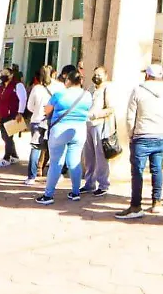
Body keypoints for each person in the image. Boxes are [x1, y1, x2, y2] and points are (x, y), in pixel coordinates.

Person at [115, 65, 163, 219]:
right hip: (160, 136)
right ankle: (157, 202)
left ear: (148, 76)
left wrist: (131, 134)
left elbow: (131, 116)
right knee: (157, 170)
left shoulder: (138, 90)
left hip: (141, 135)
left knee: (137, 172)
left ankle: (136, 206)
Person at [34, 69, 92, 205]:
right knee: (74, 162)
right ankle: (75, 192)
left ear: (68, 81)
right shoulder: (87, 95)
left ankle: (48, 195)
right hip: (79, 130)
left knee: (56, 163)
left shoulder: (59, 94)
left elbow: (47, 110)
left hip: (59, 130)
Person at [82, 66, 117, 196]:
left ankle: (103, 184)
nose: (96, 77)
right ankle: (89, 183)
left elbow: (111, 108)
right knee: (88, 156)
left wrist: (96, 114)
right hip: (87, 124)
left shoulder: (107, 89)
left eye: (99, 75)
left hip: (100, 125)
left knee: (100, 156)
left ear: (105, 76)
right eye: (95, 74)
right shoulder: (91, 88)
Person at [23, 66, 60, 184]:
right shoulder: (58, 88)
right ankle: (54, 175)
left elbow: (30, 107)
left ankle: (31, 177)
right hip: (52, 121)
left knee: (36, 148)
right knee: (53, 149)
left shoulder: (36, 88)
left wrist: (38, 109)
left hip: (37, 120)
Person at [0, 67, 22, 167]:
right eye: (2, 73)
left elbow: (22, 99)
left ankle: (7, 157)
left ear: (11, 75)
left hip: (12, 114)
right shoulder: (1, 87)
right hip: (2, 114)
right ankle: (14, 155)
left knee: (8, 136)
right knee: (4, 136)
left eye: (6, 73)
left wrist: (20, 113)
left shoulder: (17, 85)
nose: (3, 76)